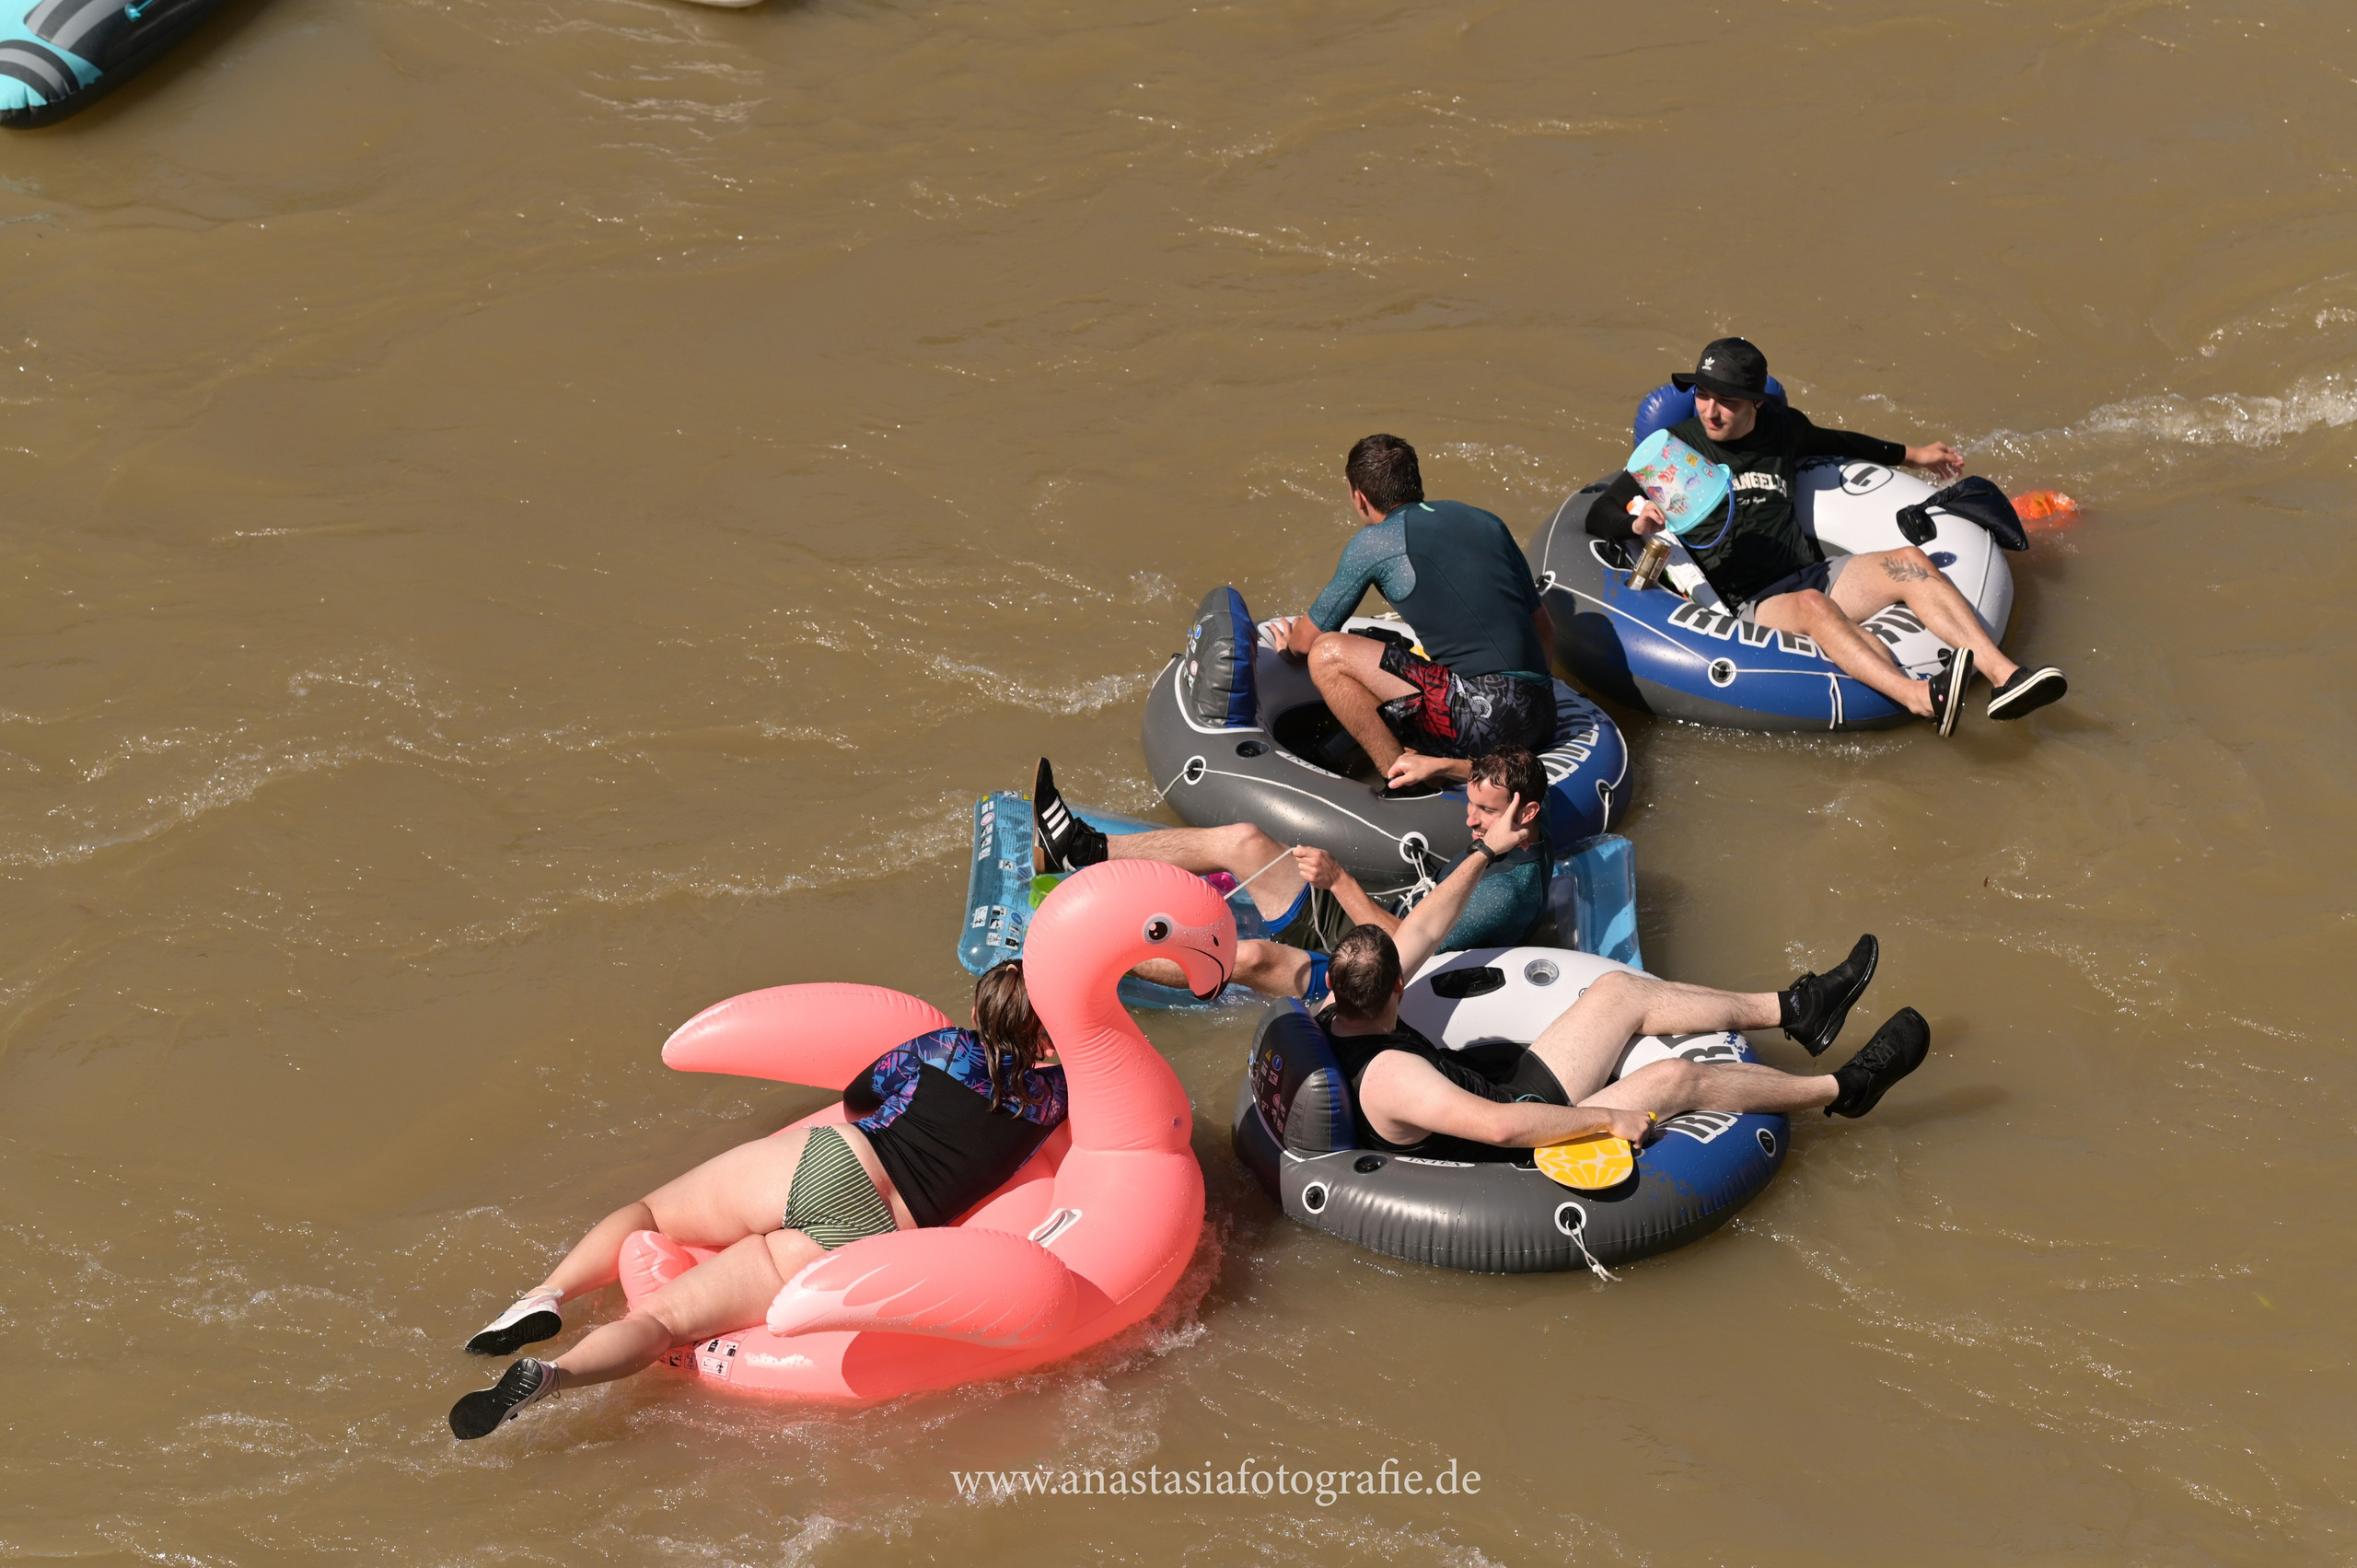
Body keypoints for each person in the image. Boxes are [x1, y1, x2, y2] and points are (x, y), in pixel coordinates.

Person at [447, 960, 1067, 1439]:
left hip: (837, 1160)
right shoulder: (1054, 1096)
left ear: (985, 1009)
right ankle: (556, 1378)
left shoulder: (945, 1048)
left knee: (650, 1215)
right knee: (660, 1323)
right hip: (870, 1232)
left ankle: (545, 1295)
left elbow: (861, 1094)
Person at [1595, 338, 2067, 737]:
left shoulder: (1782, 430)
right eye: (1702, 395)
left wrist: (1917, 455)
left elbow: (1843, 443)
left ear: (1757, 402)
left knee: (1909, 560)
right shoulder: (1674, 453)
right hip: (1749, 603)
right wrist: (1636, 523)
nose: (1711, 411)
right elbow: (1600, 512)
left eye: (1727, 401)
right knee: (1814, 608)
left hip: (1814, 572)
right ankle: (1923, 698)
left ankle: (2006, 676)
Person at [1316, 904, 1924, 1162]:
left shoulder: (1333, 1009)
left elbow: (1420, 928)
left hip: (1511, 1086)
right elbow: (1500, 1128)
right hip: (1519, 1138)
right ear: (1399, 987)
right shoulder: (1393, 1075)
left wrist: (1487, 850)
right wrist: (1608, 1121)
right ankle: (1845, 1088)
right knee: (1676, 1077)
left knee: (1620, 991)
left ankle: (1800, 1006)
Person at [1030, 749, 1549, 1004]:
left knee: (1252, 957)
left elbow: (1408, 950)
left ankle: (1106, 951)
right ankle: (1078, 849)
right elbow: (1502, 779)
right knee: (1243, 839)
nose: (1469, 818)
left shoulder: (1505, 889)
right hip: (1367, 928)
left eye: (1484, 810)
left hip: (1371, 977)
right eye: (1473, 803)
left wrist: (1339, 880)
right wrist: (1442, 766)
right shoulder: (1509, 828)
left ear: (1524, 814)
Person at [1271, 435, 1556, 788]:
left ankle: (1401, 780)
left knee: (1327, 654)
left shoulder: (1375, 542)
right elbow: (1542, 625)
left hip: (1481, 721)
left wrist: (1286, 645)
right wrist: (1522, 708)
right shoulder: (1487, 521)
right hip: (1543, 714)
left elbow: (1306, 641)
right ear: (1415, 481)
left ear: (1359, 497)